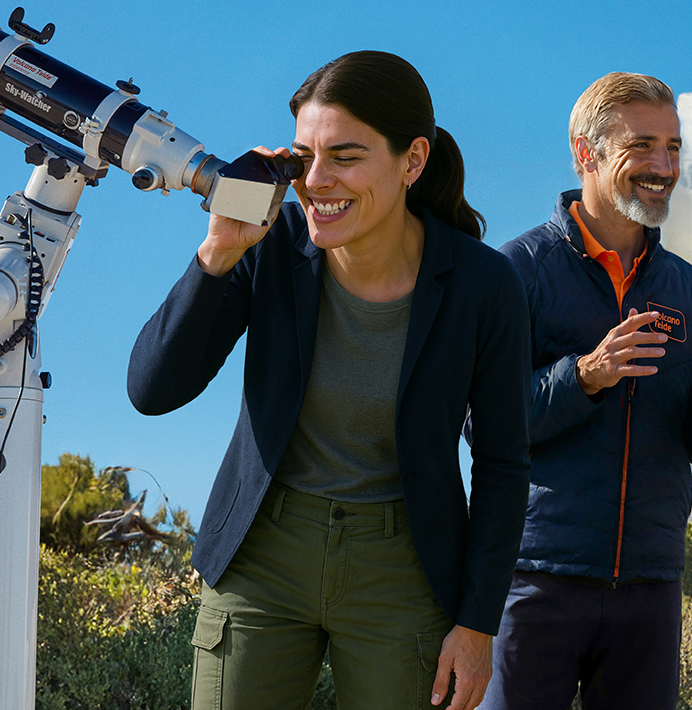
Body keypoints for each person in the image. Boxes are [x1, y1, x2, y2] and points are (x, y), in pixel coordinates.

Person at [127, 52, 531, 710]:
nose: (316, 182)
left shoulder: (486, 286)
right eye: (301, 157)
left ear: (413, 160)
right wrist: (218, 252)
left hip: (403, 566)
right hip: (262, 553)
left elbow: (504, 463)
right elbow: (152, 390)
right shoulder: (271, 244)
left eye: (345, 156)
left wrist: (479, 622)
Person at [480, 72, 692, 710]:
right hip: (532, 577)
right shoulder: (513, 273)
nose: (665, 167)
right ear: (586, 152)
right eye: (644, 146)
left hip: (650, 585)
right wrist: (583, 376)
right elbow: (480, 424)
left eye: (675, 148)